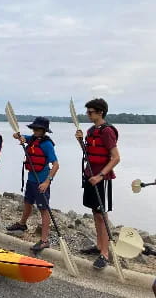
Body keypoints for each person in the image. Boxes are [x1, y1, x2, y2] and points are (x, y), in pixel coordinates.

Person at [75, 98, 120, 270]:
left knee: (102, 214)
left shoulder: (107, 131)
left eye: (90, 112)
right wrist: (80, 141)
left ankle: (105, 253)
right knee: (95, 213)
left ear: (100, 112)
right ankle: (100, 246)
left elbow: (116, 157)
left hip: (102, 178)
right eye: (87, 112)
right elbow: (89, 153)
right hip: (90, 175)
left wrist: (101, 175)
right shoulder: (90, 130)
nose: (87, 114)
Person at [6, 117, 59, 253]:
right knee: (27, 203)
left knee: (44, 210)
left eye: (38, 129)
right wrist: (19, 137)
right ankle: (22, 224)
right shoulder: (33, 139)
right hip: (31, 180)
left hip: (41, 182)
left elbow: (56, 165)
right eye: (34, 128)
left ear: (44, 130)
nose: (35, 131)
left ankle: (44, 240)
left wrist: (47, 182)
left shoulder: (47, 144)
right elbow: (17, 136)